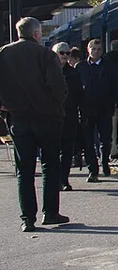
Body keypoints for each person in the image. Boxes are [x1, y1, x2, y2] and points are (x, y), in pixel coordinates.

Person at [0, 18, 69, 232]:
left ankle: (27, 218)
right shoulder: (46, 55)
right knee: (50, 165)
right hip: (47, 118)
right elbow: (58, 88)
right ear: (37, 34)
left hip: (18, 118)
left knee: (24, 169)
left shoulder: (3, 53)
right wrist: (56, 105)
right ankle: (50, 212)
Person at [77, 38, 118, 181]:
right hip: (86, 109)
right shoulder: (81, 67)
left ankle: (104, 161)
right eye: (93, 49)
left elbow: (117, 86)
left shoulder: (110, 66)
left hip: (105, 108)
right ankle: (93, 170)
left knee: (106, 139)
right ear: (88, 50)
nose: (96, 52)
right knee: (88, 141)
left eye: (99, 49)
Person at [53, 42, 83, 191]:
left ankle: (64, 179)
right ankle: (54, 179)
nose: (64, 56)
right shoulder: (48, 71)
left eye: (67, 53)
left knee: (67, 151)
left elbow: (80, 95)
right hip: (52, 118)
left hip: (69, 117)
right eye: (61, 53)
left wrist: (82, 114)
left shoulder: (74, 73)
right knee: (53, 151)